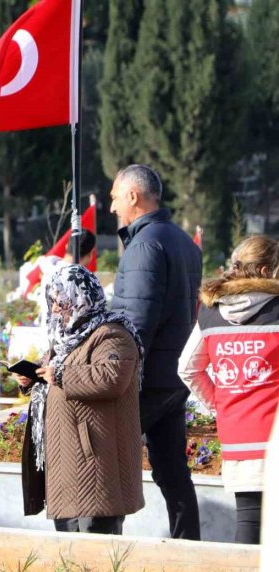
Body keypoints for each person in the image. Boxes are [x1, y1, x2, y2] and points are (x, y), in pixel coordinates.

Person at [109, 164, 203, 540]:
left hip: (145, 381)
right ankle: (190, 546)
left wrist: (110, 373)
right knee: (173, 471)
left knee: (111, 464)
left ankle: (104, 548)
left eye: (116, 197)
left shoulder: (144, 245)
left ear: (133, 196)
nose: (113, 206)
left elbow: (135, 322)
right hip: (172, 376)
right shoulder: (181, 240)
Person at [16, 265, 144, 534]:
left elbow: (111, 377)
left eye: (61, 302)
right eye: (52, 302)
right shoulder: (67, 338)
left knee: (96, 546)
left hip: (96, 462)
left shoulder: (112, 334)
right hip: (67, 462)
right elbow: (55, 371)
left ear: (81, 298)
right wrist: (33, 378)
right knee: (70, 550)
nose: (55, 310)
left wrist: (60, 375)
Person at [178, 236, 279, 544]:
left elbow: (187, 367)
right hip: (273, 434)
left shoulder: (211, 311)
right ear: (264, 271)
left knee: (248, 522)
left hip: (236, 435)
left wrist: (220, 404)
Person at [33, 230, 97, 327]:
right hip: (71, 338)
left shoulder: (49, 270)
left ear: (67, 246)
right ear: (90, 254)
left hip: (47, 335)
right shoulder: (81, 280)